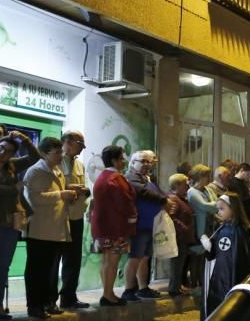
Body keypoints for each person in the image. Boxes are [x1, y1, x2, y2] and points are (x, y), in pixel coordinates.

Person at [0, 133, 39, 321]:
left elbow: (35, 157)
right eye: (1, 147)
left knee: (4, 266)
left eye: (9, 151)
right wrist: (14, 189)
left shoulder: (11, 165)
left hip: (11, 222)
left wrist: (25, 139)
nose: (3, 152)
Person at [23, 137, 77, 319]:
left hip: (56, 228)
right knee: (36, 269)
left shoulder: (57, 170)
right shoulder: (36, 171)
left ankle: (48, 302)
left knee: (49, 270)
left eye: (61, 152)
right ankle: (34, 305)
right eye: (57, 152)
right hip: (39, 228)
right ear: (45, 153)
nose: (61, 156)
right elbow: (35, 199)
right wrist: (61, 194)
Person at [89, 145, 136, 307]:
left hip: (102, 225)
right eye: (121, 158)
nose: (123, 162)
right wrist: (131, 221)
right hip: (115, 226)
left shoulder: (101, 177)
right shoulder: (116, 178)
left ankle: (107, 292)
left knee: (106, 261)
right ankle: (108, 295)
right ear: (115, 160)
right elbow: (125, 202)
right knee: (113, 261)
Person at [123, 150, 173, 301]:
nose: (146, 164)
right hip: (139, 224)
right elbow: (143, 192)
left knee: (144, 257)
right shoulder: (131, 177)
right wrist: (164, 201)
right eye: (142, 161)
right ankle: (128, 289)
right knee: (135, 258)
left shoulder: (147, 177)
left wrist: (165, 199)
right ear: (133, 163)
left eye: (148, 161)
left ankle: (143, 287)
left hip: (150, 224)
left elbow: (159, 193)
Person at [200, 192, 250, 320]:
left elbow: (226, 261)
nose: (218, 212)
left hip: (223, 279)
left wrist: (210, 249)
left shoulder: (232, 231)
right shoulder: (226, 227)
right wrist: (210, 247)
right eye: (218, 209)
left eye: (222, 208)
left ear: (233, 209)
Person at [55, 130, 91, 310]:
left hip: (76, 216)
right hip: (57, 217)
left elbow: (85, 187)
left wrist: (84, 191)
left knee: (73, 259)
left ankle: (69, 296)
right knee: (54, 259)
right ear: (67, 142)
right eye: (79, 143)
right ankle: (48, 299)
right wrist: (69, 187)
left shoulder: (79, 165)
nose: (83, 147)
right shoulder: (55, 161)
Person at [186, 164, 218, 292]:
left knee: (204, 257)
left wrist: (214, 205)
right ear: (200, 176)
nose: (209, 178)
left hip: (210, 227)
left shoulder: (207, 189)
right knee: (196, 257)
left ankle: (203, 283)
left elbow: (214, 203)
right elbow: (206, 206)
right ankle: (194, 285)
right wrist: (216, 205)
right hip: (199, 228)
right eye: (206, 176)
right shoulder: (192, 192)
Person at [166, 173, 196, 297]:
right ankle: (174, 289)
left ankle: (177, 286)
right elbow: (171, 217)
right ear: (177, 185)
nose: (187, 186)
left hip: (183, 236)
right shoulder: (173, 199)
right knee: (177, 264)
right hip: (179, 237)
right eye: (185, 184)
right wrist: (183, 228)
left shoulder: (181, 198)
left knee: (180, 263)